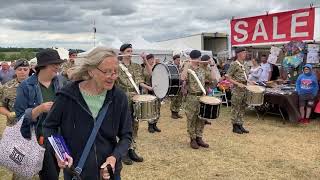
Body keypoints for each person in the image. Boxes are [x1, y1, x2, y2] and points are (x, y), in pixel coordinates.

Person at [43, 47, 131, 180]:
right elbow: (49, 127)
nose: (112, 77)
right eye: (107, 72)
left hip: (108, 173)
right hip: (77, 173)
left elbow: (126, 136)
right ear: (91, 71)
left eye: (115, 71)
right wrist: (60, 152)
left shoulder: (119, 97)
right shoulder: (67, 95)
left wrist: (114, 158)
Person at [14, 49, 66, 179]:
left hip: (60, 137)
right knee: (50, 175)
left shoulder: (61, 82)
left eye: (59, 64)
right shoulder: (26, 86)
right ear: (43, 66)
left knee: (59, 170)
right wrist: (39, 109)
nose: (58, 67)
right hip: (40, 139)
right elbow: (20, 118)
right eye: (55, 64)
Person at [0, 59, 30, 180]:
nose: (22, 72)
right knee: (18, 162)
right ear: (15, 70)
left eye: (25, 69)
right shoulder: (7, 87)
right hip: (15, 130)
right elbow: (1, 106)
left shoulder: (38, 85)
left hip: (35, 129)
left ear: (29, 70)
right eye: (19, 69)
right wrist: (8, 114)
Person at [116, 43, 146, 165]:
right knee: (123, 125)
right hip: (122, 98)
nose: (130, 53)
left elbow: (140, 81)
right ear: (122, 52)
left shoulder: (136, 66)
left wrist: (149, 87)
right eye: (128, 51)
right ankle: (122, 152)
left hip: (135, 97)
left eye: (131, 51)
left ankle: (132, 149)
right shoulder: (117, 66)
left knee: (135, 124)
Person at [181, 50, 215, 149]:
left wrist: (212, 66)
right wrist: (187, 65)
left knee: (201, 117)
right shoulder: (188, 68)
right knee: (191, 119)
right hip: (191, 97)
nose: (200, 60)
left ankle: (199, 137)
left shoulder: (202, 69)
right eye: (198, 58)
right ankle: (193, 139)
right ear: (194, 58)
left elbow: (212, 78)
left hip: (202, 97)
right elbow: (182, 78)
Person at [226, 48, 249, 134]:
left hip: (244, 87)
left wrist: (250, 81)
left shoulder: (245, 64)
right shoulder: (234, 64)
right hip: (237, 89)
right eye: (244, 53)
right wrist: (237, 83)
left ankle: (240, 124)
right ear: (239, 54)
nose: (245, 54)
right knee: (236, 107)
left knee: (242, 107)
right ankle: (234, 126)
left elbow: (245, 77)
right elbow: (228, 77)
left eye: (245, 53)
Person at [142, 54, 161, 133]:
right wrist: (146, 88)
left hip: (156, 89)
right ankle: (150, 125)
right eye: (150, 59)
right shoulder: (143, 68)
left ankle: (155, 124)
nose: (152, 60)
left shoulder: (156, 67)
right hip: (148, 89)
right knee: (150, 108)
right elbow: (150, 75)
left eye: (153, 59)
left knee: (157, 107)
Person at [170, 54, 183, 119]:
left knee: (179, 100)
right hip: (174, 86)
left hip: (180, 86)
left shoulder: (180, 67)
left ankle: (177, 112)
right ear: (174, 60)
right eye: (177, 60)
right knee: (174, 100)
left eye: (179, 60)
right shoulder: (171, 67)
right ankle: (173, 113)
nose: (179, 61)